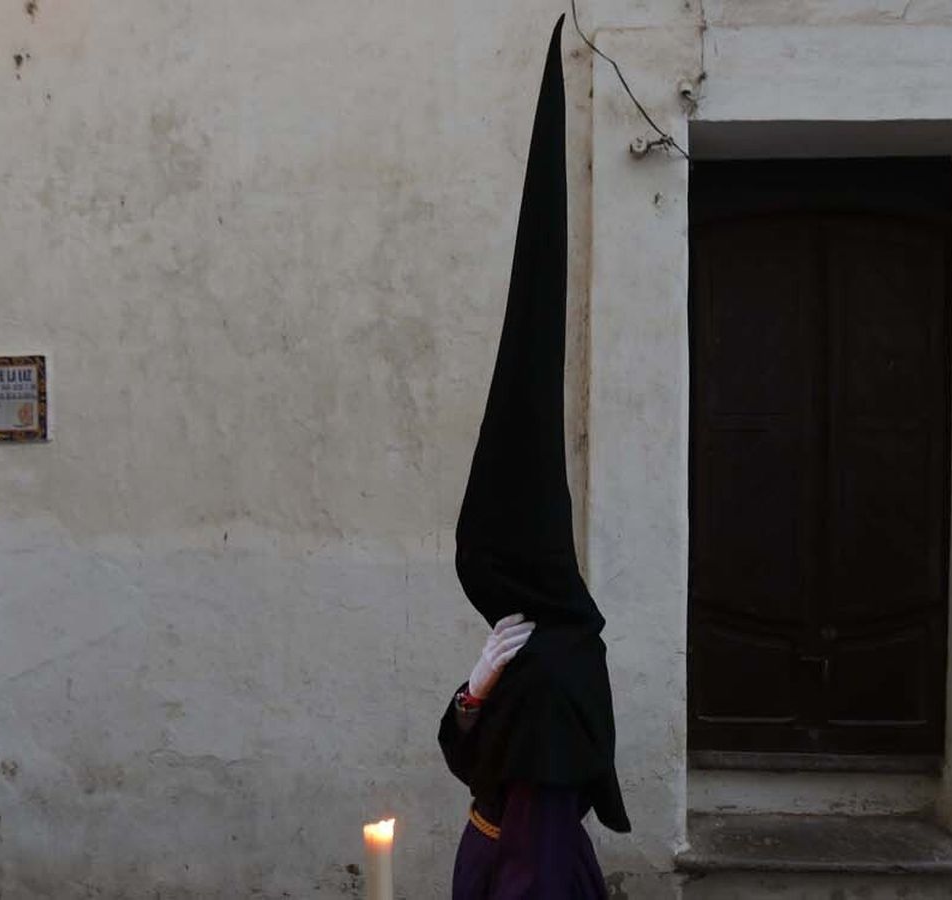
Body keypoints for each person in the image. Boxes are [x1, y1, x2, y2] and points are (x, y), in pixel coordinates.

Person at [437, 15, 630, 899]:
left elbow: (535, 832)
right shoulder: (527, 647)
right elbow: (463, 752)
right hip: (490, 851)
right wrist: (474, 690)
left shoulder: (555, 668)